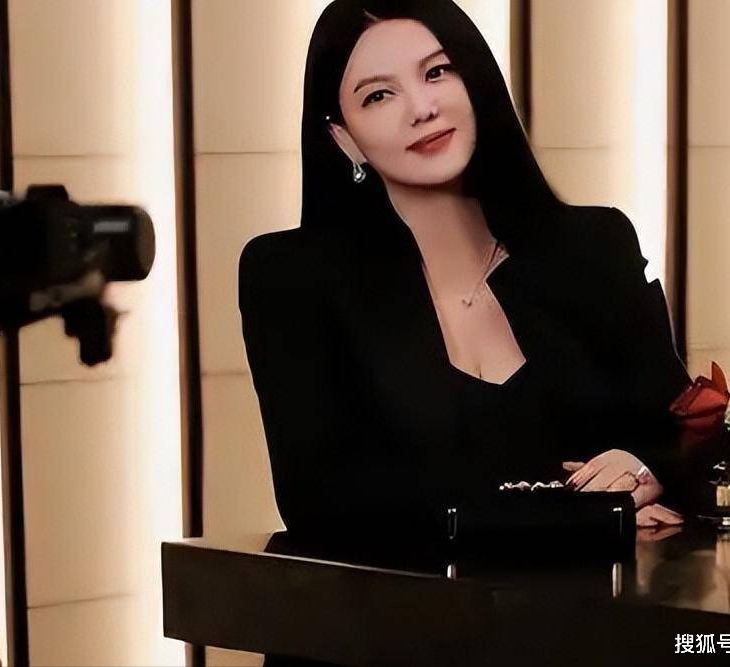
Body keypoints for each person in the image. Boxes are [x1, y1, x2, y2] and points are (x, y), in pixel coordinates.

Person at [239, 0, 694, 544]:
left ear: (476, 81)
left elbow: (685, 431)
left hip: (621, 592)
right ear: (343, 137)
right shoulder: (290, 276)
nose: (422, 108)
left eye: (437, 72)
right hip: (412, 598)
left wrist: (644, 467)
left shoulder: (596, 246)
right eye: (379, 95)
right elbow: (321, 500)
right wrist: (582, 518)